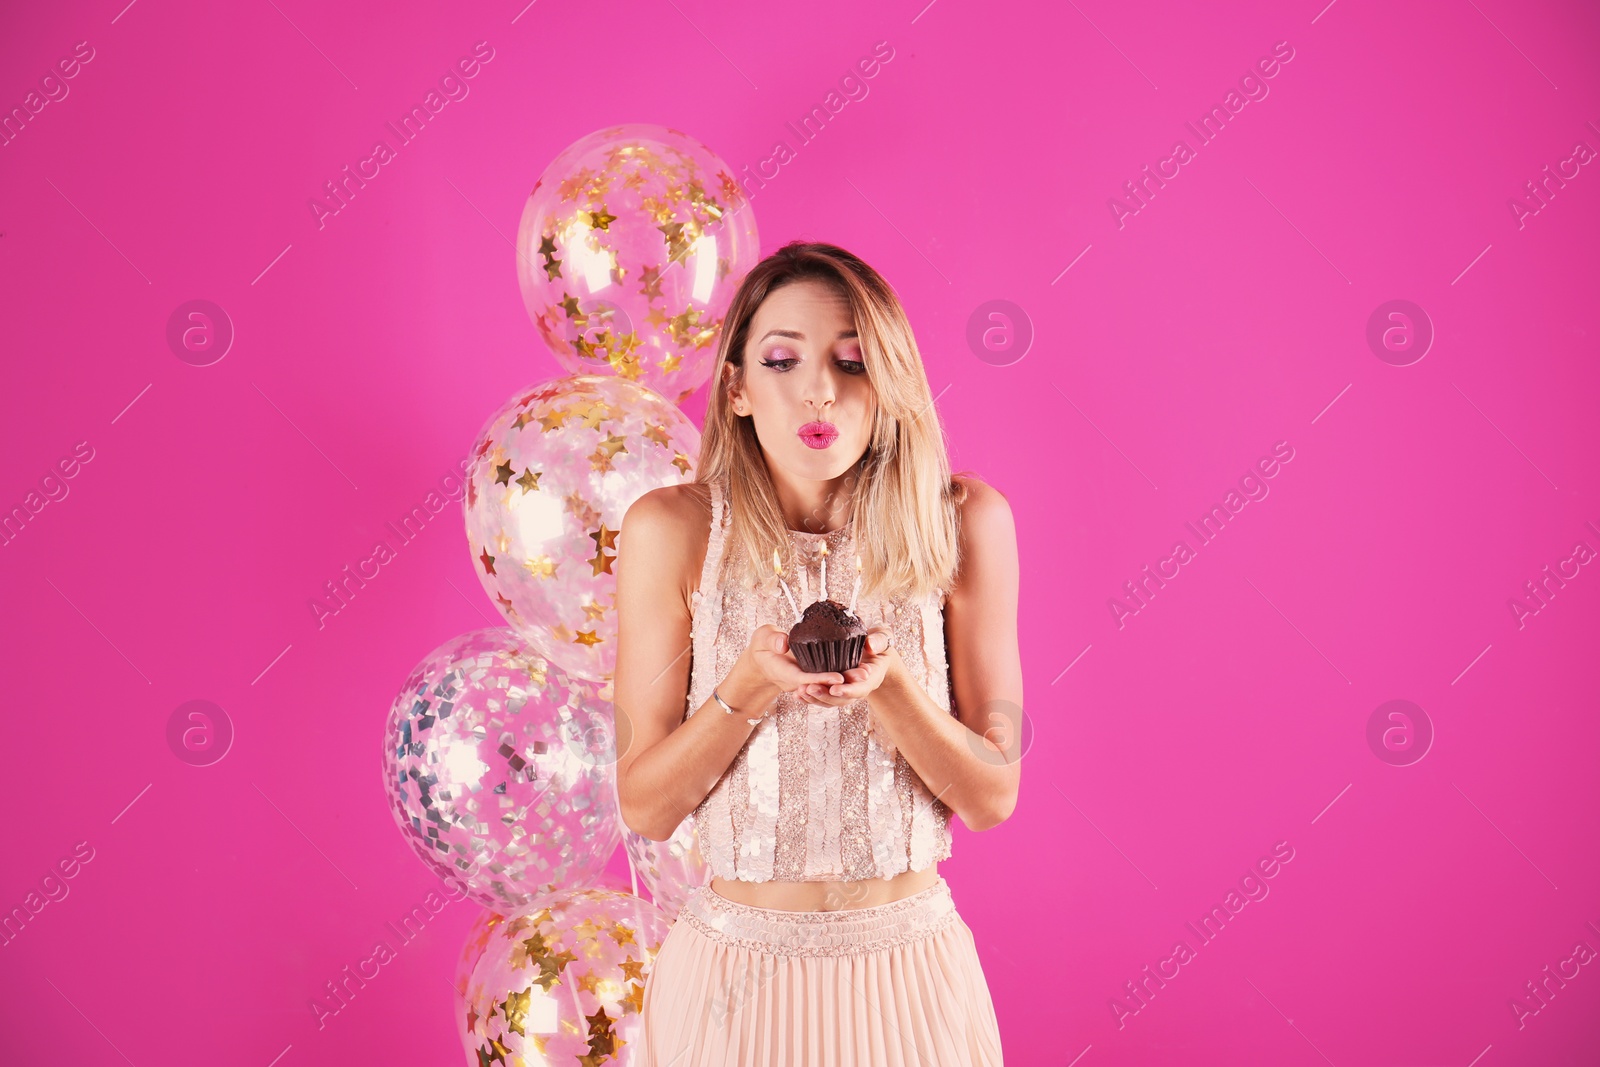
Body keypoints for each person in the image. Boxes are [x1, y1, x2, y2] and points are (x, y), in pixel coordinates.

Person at [614, 240, 1022, 1065]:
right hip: (732, 986)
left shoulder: (964, 522)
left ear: (891, 384)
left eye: (853, 362)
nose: (820, 390)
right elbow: (646, 806)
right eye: (781, 359)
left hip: (909, 983)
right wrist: (748, 686)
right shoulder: (672, 531)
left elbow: (991, 796)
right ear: (735, 388)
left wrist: (892, 685)